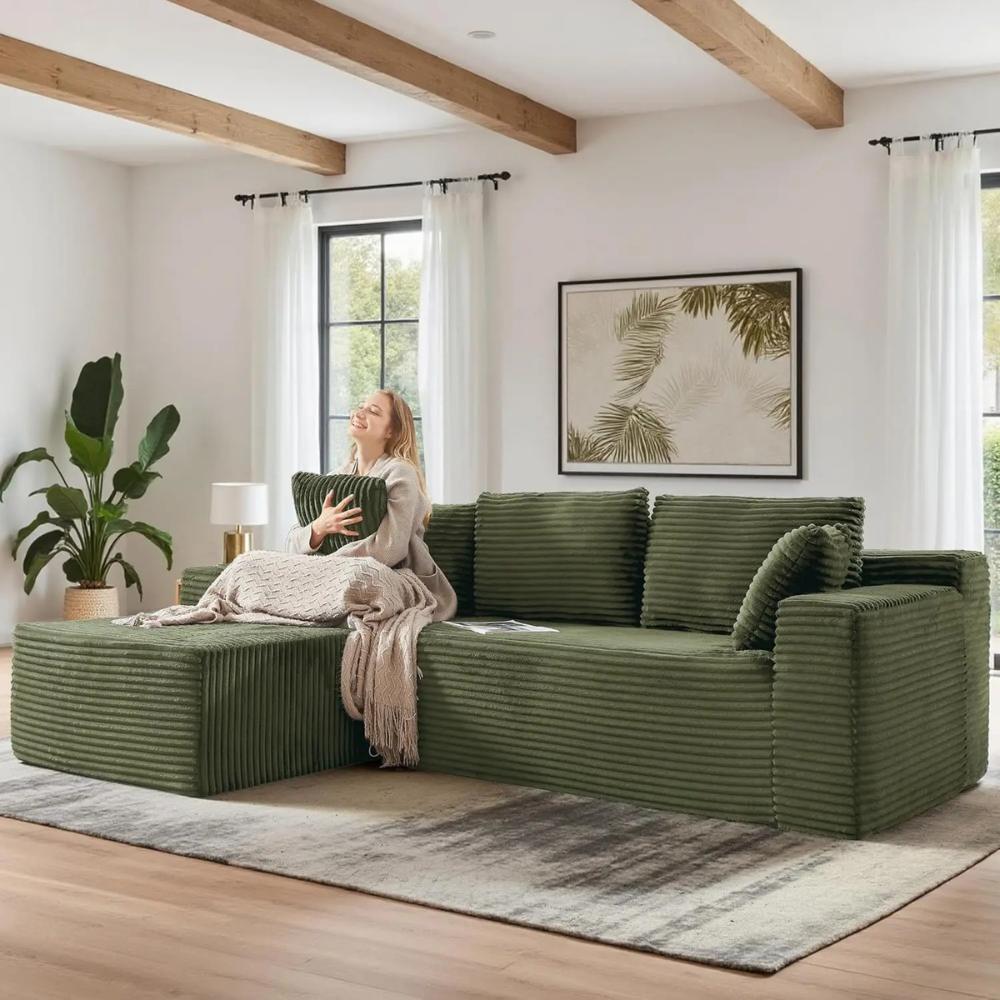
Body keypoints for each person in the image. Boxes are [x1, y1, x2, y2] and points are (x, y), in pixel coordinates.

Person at [286, 389, 457, 621]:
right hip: (338, 576)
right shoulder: (337, 477)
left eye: (373, 411)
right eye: (361, 406)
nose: (360, 412)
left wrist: (325, 566)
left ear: (391, 431)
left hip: (393, 578)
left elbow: (389, 549)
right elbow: (290, 544)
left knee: (362, 576)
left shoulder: (400, 472)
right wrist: (318, 528)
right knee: (250, 562)